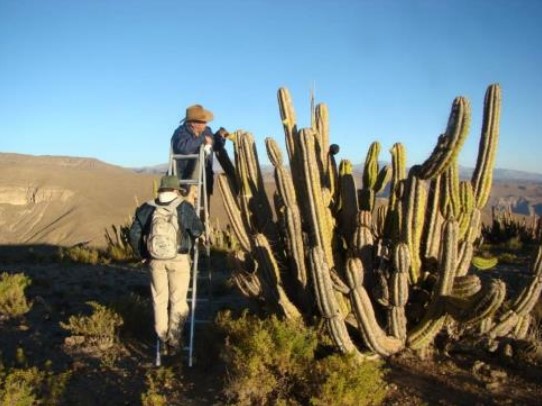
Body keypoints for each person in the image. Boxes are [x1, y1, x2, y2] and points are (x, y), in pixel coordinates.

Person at [129, 175, 203, 354]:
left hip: (156, 261)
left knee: (159, 301)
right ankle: (174, 340)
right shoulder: (184, 206)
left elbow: (134, 234)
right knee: (178, 301)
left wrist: (143, 255)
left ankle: (161, 339)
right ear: (176, 190)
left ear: (160, 189)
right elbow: (197, 230)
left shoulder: (147, 208)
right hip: (179, 259)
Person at [170, 104, 228, 199]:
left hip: (204, 180)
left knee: (203, 212)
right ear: (193, 123)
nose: (206, 124)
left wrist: (220, 137)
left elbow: (215, 146)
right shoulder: (180, 133)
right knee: (186, 211)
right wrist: (201, 139)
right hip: (185, 183)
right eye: (203, 121)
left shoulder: (206, 131)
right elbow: (183, 148)